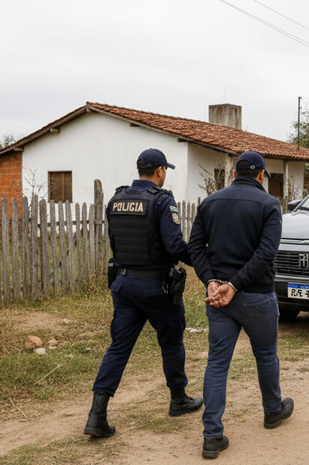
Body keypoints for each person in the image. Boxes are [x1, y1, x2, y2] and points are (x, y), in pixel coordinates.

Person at [84, 148, 203, 439]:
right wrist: (201, 258)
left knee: (118, 348)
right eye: (165, 171)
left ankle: (97, 415)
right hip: (156, 288)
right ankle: (178, 399)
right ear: (160, 171)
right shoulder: (162, 200)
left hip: (123, 285)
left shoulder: (116, 199)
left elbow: (116, 242)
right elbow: (174, 247)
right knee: (171, 341)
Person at [188, 150, 294, 459]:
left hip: (219, 297)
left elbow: (195, 247)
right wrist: (235, 285)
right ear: (261, 175)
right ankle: (272, 411)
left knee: (217, 364)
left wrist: (211, 281)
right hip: (256, 295)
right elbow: (266, 254)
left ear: (235, 174)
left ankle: (212, 436)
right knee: (266, 356)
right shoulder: (269, 205)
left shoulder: (210, 202)